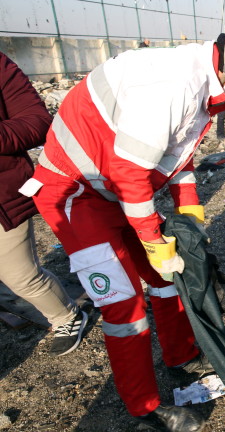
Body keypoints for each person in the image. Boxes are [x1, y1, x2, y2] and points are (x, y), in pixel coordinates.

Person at [19, 17, 225, 432]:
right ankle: (143, 406)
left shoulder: (205, 84)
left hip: (113, 190)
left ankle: (180, 355)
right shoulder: (174, 85)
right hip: (74, 192)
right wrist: (152, 239)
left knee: (167, 279)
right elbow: (130, 174)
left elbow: (175, 160)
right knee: (124, 304)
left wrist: (190, 216)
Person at [0, 51, 88, 356]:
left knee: (21, 277)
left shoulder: (1, 66)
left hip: (3, 199)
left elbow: (37, 122)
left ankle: (66, 316)